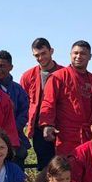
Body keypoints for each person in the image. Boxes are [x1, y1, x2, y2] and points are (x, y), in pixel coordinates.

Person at [39, 40, 92, 156]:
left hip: (89, 136)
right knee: (67, 170)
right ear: (70, 55)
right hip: (66, 136)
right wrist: (47, 124)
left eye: (82, 54)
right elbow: (48, 102)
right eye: (75, 53)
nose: (78, 57)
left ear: (90, 56)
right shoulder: (58, 77)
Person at [20, 37, 63, 171]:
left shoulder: (64, 73)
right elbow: (22, 101)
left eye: (43, 53)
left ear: (51, 51)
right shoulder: (28, 75)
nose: (40, 58)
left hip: (62, 127)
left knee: (63, 165)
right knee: (45, 167)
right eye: (36, 55)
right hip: (39, 129)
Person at [0, 50, 30, 169]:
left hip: (14, 136)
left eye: (1, 66)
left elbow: (24, 114)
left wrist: (11, 130)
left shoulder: (18, 90)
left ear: (11, 67)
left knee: (20, 154)